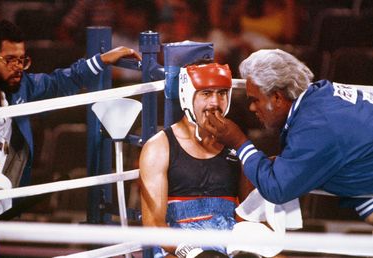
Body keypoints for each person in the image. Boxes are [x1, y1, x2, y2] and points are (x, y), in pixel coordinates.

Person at [0, 19, 141, 218]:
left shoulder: (20, 88)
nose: (18, 67)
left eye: (22, 60)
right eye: (9, 60)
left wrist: (102, 60)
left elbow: (60, 82)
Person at [203, 48, 373, 225]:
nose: (252, 108)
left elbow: (276, 189)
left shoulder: (316, 126)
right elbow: (353, 156)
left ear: (277, 97)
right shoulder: (320, 95)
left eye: (255, 100)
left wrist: (239, 142)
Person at [139, 61, 249, 257]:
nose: (215, 102)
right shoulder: (159, 147)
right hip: (176, 248)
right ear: (187, 96)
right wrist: (190, 252)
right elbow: (153, 224)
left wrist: (243, 247)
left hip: (230, 245)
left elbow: (250, 214)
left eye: (222, 93)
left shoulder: (236, 144)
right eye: (206, 93)